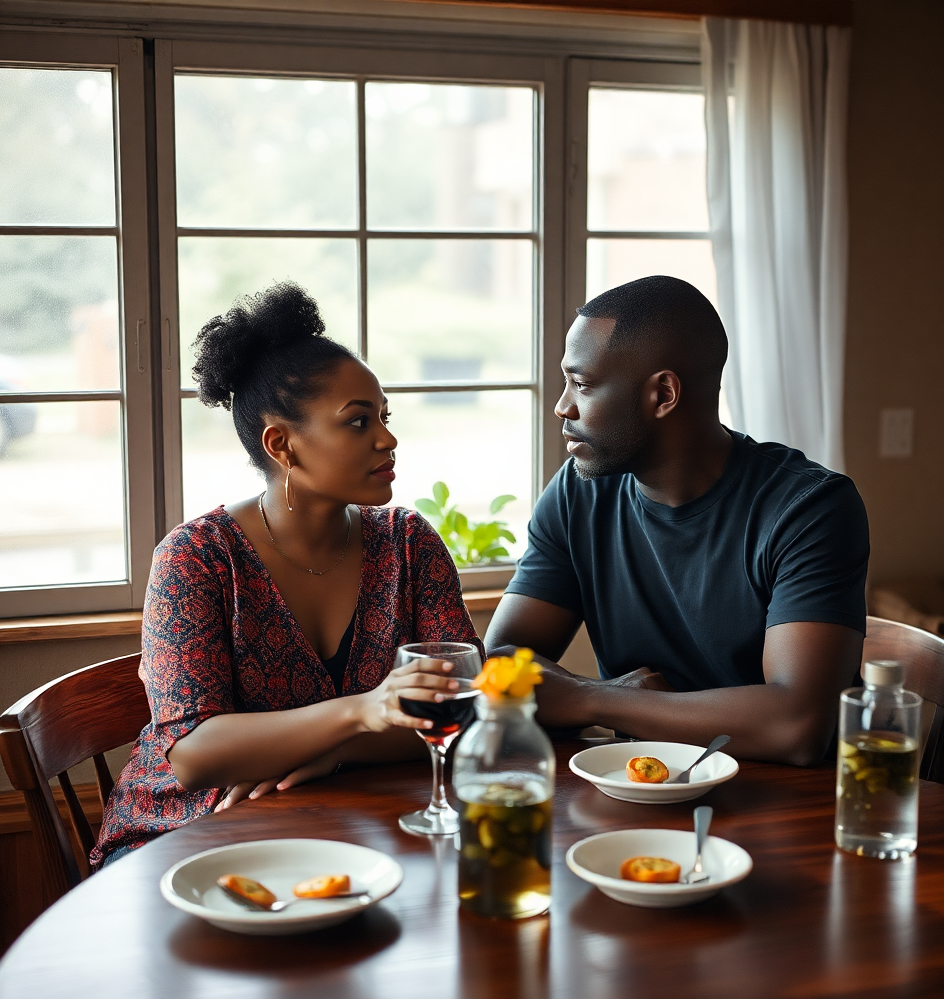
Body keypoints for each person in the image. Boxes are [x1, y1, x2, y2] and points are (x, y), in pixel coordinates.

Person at [91, 283, 479, 867]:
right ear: (282, 445)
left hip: (344, 821)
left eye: (384, 416)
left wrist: (334, 754)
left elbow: (468, 708)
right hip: (189, 832)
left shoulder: (408, 541)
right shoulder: (196, 557)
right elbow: (194, 755)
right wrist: (361, 712)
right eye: (357, 422)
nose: (388, 438)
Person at [485, 276, 869, 766]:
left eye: (581, 384)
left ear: (663, 394)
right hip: (636, 785)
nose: (563, 406)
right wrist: (605, 694)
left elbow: (796, 724)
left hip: (786, 809)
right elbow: (501, 663)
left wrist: (592, 698)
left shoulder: (810, 508)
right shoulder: (577, 491)